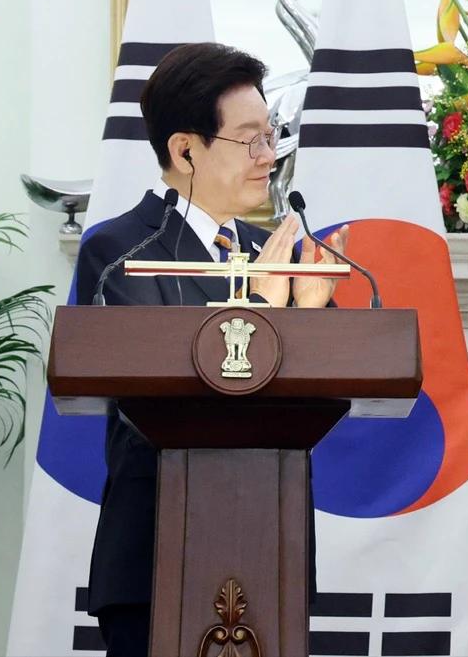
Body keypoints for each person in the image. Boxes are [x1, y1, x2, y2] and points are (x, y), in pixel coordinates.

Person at [74, 42, 348, 656]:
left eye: (270, 134)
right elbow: (154, 394)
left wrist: (309, 311)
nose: (268, 156)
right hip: (154, 562)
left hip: (271, 554)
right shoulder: (119, 250)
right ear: (185, 149)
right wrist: (263, 307)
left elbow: (332, 390)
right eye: (248, 139)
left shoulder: (278, 252)